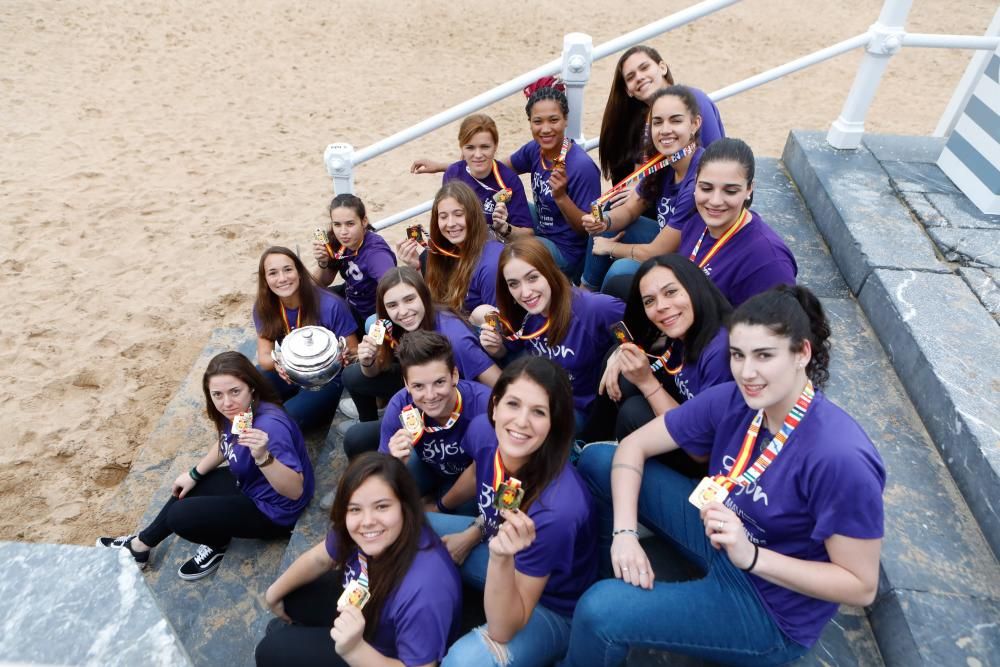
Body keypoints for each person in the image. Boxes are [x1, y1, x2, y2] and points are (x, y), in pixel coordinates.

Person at [566, 286, 886, 666]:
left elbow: (860, 585)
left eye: (764, 356)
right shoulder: (737, 397)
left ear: (802, 353)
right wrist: (624, 535)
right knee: (601, 459)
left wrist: (751, 556)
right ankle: (616, 569)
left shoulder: (839, 456)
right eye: (737, 355)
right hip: (718, 530)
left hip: (768, 604)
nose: (747, 373)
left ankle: (606, 616)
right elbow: (634, 446)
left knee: (599, 611)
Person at [427, 357, 597, 667]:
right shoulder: (484, 431)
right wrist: (471, 529)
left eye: (539, 412)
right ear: (495, 405)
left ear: (555, 423)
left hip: (550, 604)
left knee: (464, 663)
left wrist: (500, 557)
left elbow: (503, 629)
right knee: (406, 524)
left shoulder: (558, 509)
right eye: (513, 404)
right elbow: (482, 471)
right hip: (495, 543)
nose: (521, 422)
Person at [97, 351, 314, 580]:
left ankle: (217, 543)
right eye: (217, 394)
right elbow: (225, 443)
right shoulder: (238, 411)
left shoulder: (270, 427)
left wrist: (263, 457)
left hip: (275, 510)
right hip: (251, 482)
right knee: (188, 487)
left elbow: (294, 491)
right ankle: (140, 546)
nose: (226, 402)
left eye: (234, 391)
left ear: (251, 387)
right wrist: (194, 473)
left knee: (179, 517)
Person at [255, 453, 461, 667]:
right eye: (355, 509)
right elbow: (319, 558)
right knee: (290, 596)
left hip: (379, 653)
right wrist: (273, 594)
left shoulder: (427, 589)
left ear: (405, 506)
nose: (367, 522)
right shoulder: (357, 529)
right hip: (361, 602)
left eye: (382, 506)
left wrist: (354, 650)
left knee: (271, 651)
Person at [342, 267, 501, 454]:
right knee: (352, 374)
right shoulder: (392, 325)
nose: (403, 311)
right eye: (392, 305)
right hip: (416, 387)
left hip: (448, 402)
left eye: (410, 299)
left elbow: (500, 385)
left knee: (356, 438)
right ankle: (378, 421)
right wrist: (368, 360)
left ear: (424, 295)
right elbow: (372, 372)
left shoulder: (455, 339)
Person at [480, 237, 623, 428]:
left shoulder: (593, 308)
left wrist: (621, 352)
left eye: (532, 278)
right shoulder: (523, 312)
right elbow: (510, 349)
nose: (525, 292)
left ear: (550, 271)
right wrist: (496, 348)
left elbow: (647, 330)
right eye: (514, 284)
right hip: (541, 396)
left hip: (579, 411)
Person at [599, 254, 733, 445]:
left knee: (633, 413)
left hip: (706, 456)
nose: (661, 306)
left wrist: (647, 382)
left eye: (670, 292)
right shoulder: (686, 328)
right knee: (621, 369)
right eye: (649, 301)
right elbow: (648, 344)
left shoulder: (721, 353)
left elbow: (701, 446)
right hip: (686, 411)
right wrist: (621, 353)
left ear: (695, 287)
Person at [582, 86, 706, 291]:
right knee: (605, 220)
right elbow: (630, 209)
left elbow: (655, 252)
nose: (665, 129)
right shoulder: (665, 162)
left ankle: (595, 305)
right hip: (668, 240)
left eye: (675, 120)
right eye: (658, 122)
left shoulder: (699, 180)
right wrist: (604, 223)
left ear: (695, 124)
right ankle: (585, 291)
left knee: (620, 271)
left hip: (692, 262)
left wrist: (611, 248)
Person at [373, 331, 490, 516]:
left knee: (466, 512)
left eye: (439, 382)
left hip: (471, 476)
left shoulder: (484, 405)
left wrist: (439, 507)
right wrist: (395, 463)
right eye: (418, 386)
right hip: (425, 466)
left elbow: (487, 473)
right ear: (406, 384)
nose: (430, 395)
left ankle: (434, 501)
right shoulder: (400, 405)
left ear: (454, 376)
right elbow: (381, 475)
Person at [676, 137, 797, 307]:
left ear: (749, 189)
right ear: (695, 182)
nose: (715, 201)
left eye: (730, 191)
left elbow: (782, 329)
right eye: (706, 188)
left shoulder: (769, 261)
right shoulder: (696, 222)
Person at [253, 246, 359, 431]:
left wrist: (338, 358)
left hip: (328, 378)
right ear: (265, 280)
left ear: (300, 272)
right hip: (290, 369)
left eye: (288, 269)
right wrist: (281, 364)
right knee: (247, 390)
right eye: (273, 273)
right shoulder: (265, 306)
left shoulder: (331, 305)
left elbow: (354, 351)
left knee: (285, 422)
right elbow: (264, 356)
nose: (282, 278)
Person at [507, 78, 601, 282]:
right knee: (506, 205)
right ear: (530, 123)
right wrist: (448, 167)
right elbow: (498, 169)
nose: (546, 129)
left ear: (566, 119)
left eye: (553, 120)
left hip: (567, 252)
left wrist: (561, 197)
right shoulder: (535, 149)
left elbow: (588, 231)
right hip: (543, 229)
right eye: (538, 121)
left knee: (517, 249)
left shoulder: (581, 167)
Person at [598, 44, 724, 186]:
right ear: (629, 91)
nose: (639, 77)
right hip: (662, 197)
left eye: (644, 68)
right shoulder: (641, 119)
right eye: (630, 77)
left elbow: (717, 162)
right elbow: (640, 175)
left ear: (662, 68)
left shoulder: (695, 101)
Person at [410, 113, 534, 241]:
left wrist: (505, 228)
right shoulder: (452, 174)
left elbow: (528, 235)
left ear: (495, 146)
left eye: (485, 147)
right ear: (462, 148)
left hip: (496, 251)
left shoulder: (509, 181)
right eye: (470, 148)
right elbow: (446, 223)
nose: (478, 155)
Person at [399, 181, 505, 323]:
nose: (450, 223)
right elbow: (433, 303)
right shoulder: (439, 251)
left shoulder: (492, 262)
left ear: (473, 215)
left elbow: (500, 325)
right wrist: (416, 268)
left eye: (458, 214)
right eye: (443, 217)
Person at [312, 193, 397, 332]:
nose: (343, 232)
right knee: (308, 295)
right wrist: (322, 263)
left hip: (371, 313)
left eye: (350, 224)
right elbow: (320, 282)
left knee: (374, 325)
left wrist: (377, 333)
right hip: (350, 297)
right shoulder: (336, 241)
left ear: (364, 222)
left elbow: (395, 290)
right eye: (337, 224)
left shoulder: (375, 254)